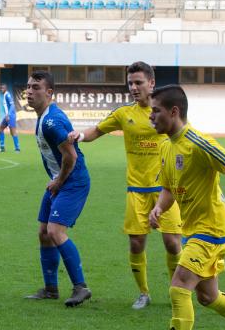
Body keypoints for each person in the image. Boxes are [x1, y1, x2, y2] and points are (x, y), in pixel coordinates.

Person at [145, 85, 225, 330]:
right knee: (208, 296)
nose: (150, 116)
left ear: (174, 112)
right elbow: (168, 186)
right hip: (194, 230)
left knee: (179, 284)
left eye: (156, 111)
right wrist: (159, 209)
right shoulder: (167, 145)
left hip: (212, 229)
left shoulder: (198, 143)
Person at [68, 62, 182, 310]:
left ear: (151, 83)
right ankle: (143, 293)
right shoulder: (124, 114)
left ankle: (178, 291)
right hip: (136, 191)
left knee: (173, 243)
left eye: (138, 82)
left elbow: (183, 137)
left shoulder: (165, 112)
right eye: (130, 83)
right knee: (136, 243)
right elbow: (97, 130)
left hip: (167, 190)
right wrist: (81, 135)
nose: (133, 87)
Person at [23, 70, 92, 307]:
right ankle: (51, 288)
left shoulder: (53, 121)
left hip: (72, 181)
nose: (29, 92)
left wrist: (59, 182)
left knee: (55, 232)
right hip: (59, 179)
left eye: (36, 88)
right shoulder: (44, 117)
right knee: (43, 233)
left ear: (49, 92)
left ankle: (80, 287)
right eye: (29, 87)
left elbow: (71, 157)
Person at [0, 83, 20, 153]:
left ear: (6, 89)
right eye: (1, 88)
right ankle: (2, 147)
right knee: (0, 129)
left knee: (12, 132)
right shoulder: (4, 95)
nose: (1, 89)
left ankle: (17, 149)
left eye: (3, 88)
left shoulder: (8, 95)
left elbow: (12, 105)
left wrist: (8, 115)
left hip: (11, 116)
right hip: (7, 116)